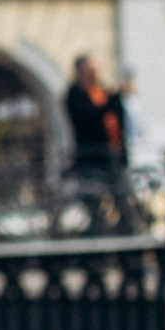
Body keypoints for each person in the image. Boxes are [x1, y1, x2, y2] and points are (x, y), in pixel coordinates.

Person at [64, 54, 138, 232]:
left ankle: (128, 232)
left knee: (123, 198)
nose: (95, 74)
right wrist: (115, 97)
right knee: (94, 201)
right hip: (92, 156)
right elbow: (89, 116)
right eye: (90, 70)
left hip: (113, 154)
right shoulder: (75, 95)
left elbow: (118, 118)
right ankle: (98, 232)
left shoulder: (102, 92)